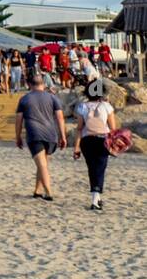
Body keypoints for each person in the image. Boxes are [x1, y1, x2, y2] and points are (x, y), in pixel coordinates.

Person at [15, 73, 67, 202]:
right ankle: (37, 191)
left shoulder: (24, 99)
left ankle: (48, 192)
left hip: (34, 134)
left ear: (30, 85)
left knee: (42, 165)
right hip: (51, 135)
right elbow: (60, 118)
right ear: (43, 84)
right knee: (43, 164)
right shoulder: (53, 98)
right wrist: (63, 136)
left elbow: (18, 120)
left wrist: (18, 136)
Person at [73, 84, 118, 211]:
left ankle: (96, 197)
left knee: (92, 168)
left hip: (87, 141)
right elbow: (113, 128)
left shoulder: (82, 106)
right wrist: (114, 146)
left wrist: (76, 147)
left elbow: (79, 129)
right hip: (103, 140)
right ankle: (95, 199)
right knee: (100, 168)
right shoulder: (106, 106)